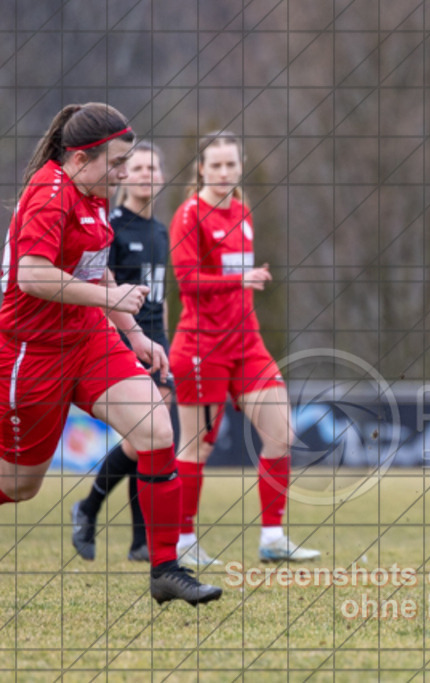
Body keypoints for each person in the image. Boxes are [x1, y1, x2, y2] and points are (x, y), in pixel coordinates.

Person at [0, 103, 221, 605]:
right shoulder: (48, 194)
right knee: (19, 487)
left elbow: (98, 272)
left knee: (156, 427)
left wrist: (134, 335)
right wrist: (109, 300)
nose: (124, 172)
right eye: (118, 163)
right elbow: (32, 276)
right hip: (31, 354)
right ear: (80, 160)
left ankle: (165, 567)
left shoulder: (93, 194)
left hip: (87, 340)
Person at [168, 130, 320, 568]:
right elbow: (188, 284)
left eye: (230, 164)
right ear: (201, 168)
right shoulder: (189, 215)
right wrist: (241, 280)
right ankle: (182, 541)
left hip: (246, 343)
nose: (223, 172)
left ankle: (272, 537)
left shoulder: (241, 210)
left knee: (281, 434)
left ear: (240, 165)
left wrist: (245, 284)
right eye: (214, 165)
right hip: (201, 346)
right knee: (197, 447)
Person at [70, 141, 175, 563]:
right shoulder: (112, 225)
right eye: (138, 167)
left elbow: (162, 297)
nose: (147, 174)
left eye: (154, 167)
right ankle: (94, 509)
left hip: (156, 343)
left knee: (149, 442)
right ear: (124, 175)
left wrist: (165, 341)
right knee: (144, 438)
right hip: (120, 340)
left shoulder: (161, 231)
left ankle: (138, 540)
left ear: (163, 177)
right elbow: (99, 285)